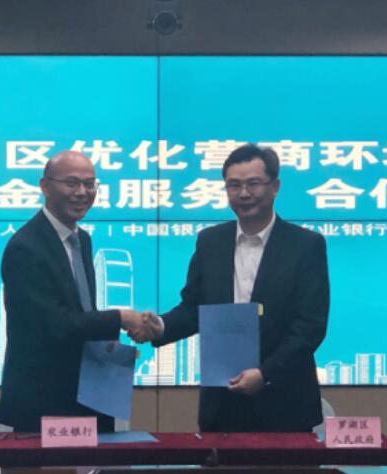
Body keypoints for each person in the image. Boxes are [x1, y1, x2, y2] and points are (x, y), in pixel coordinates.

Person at [139, 143, 330, 432]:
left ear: (275, 187)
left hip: (285, 403)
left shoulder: (305, 245)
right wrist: (161, 326)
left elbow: (310, 326)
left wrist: (264, 374)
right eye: (234, 185)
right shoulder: (210, 241)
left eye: (253, 183)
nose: (243, 193)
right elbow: (193, 308)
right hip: (222, 403)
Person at [0, 150, 145, 432]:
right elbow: (54, 324)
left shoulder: (82, 240)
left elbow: (81, 312)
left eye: (89, 184)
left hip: (89, 394)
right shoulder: (26, 247)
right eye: (72, 183)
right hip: (43, 401)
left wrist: (110, 344)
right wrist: (120, 318)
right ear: (45, 186)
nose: (82, 192)